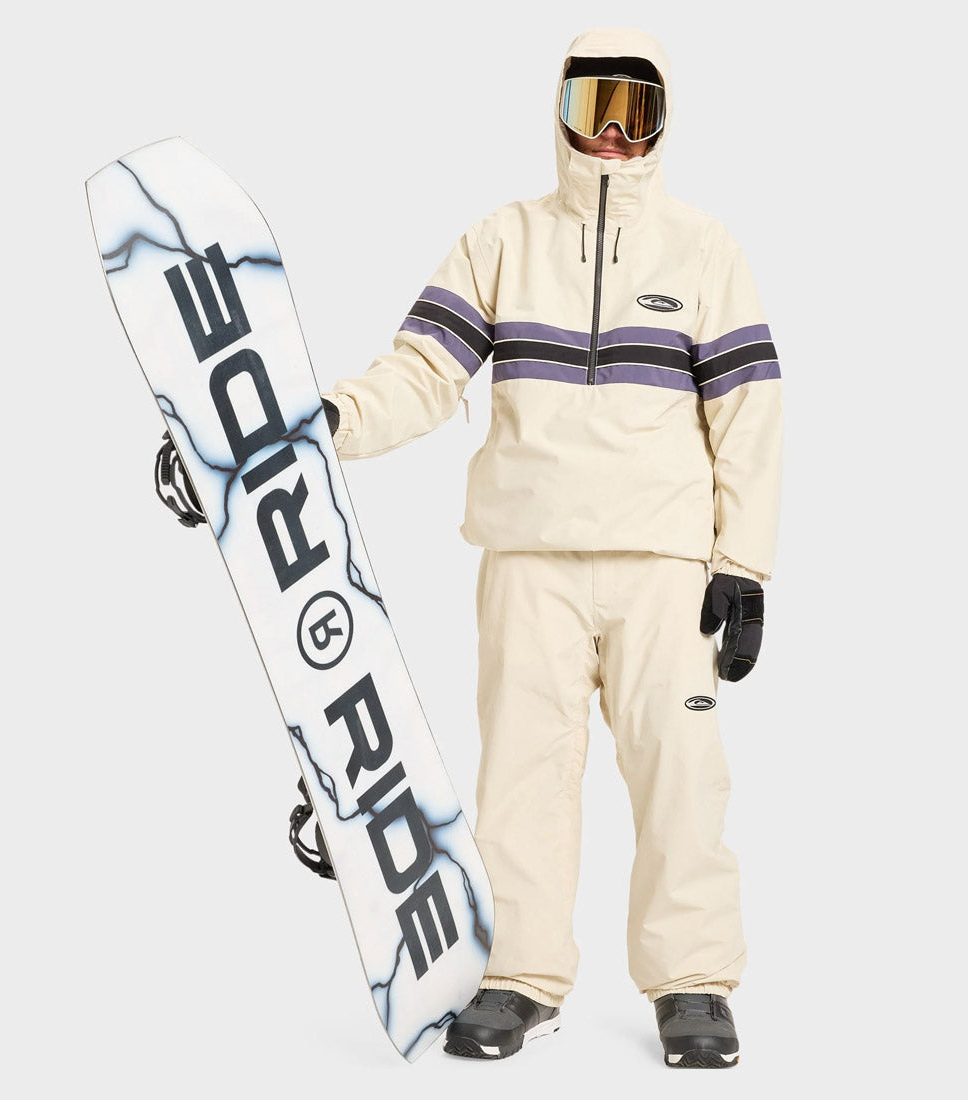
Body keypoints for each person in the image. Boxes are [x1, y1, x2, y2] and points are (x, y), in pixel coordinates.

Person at [163, 26, 781, 1068]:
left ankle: (691, 981)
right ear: (559, 113)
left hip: (663, 565)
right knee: (523, 777)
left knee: (681, 775)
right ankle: (520, 975)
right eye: (593, 108)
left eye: (634, 111)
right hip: (527, 557)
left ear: (663, 121)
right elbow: (422, 370)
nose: (613, 134)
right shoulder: (502, 241)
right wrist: (329, 420)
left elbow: (749, 409)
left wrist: (744, 566)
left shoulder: (704, 250)